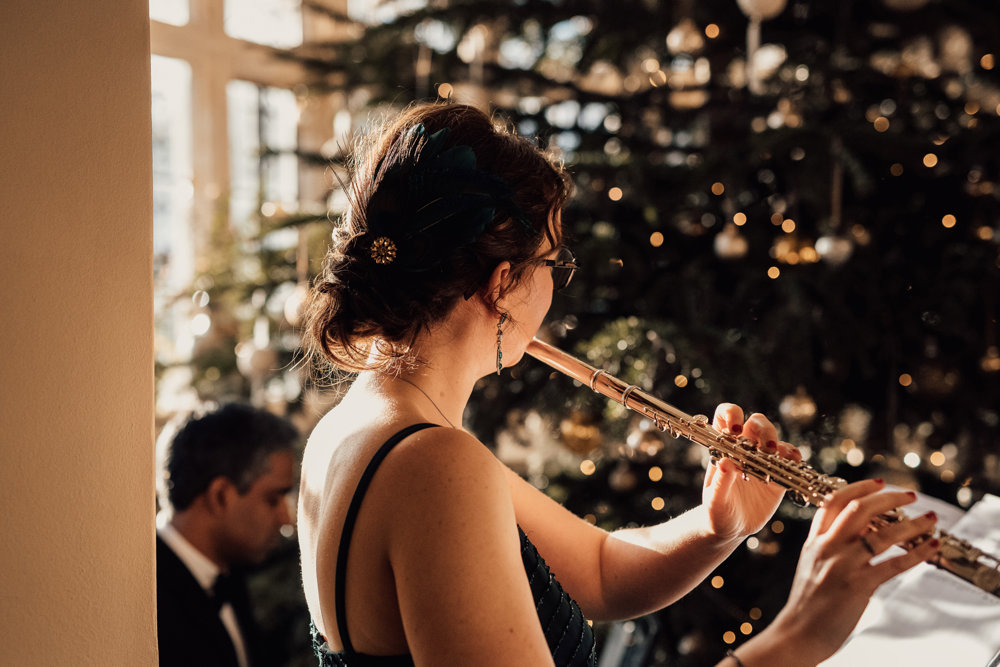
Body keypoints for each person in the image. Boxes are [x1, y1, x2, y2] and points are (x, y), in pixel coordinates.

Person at [297, 102, 941, 667]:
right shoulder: (433, 463)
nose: (555, 283)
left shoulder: (360, 430)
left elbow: (601, 573)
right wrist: (799, 636)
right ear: (501, 285)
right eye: (552, 262)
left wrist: (717, 528)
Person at [155, 402, 299, 667]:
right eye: (273, 499)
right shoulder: (147, 596)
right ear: (220, 495)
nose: (286, 519)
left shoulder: (228, 574)